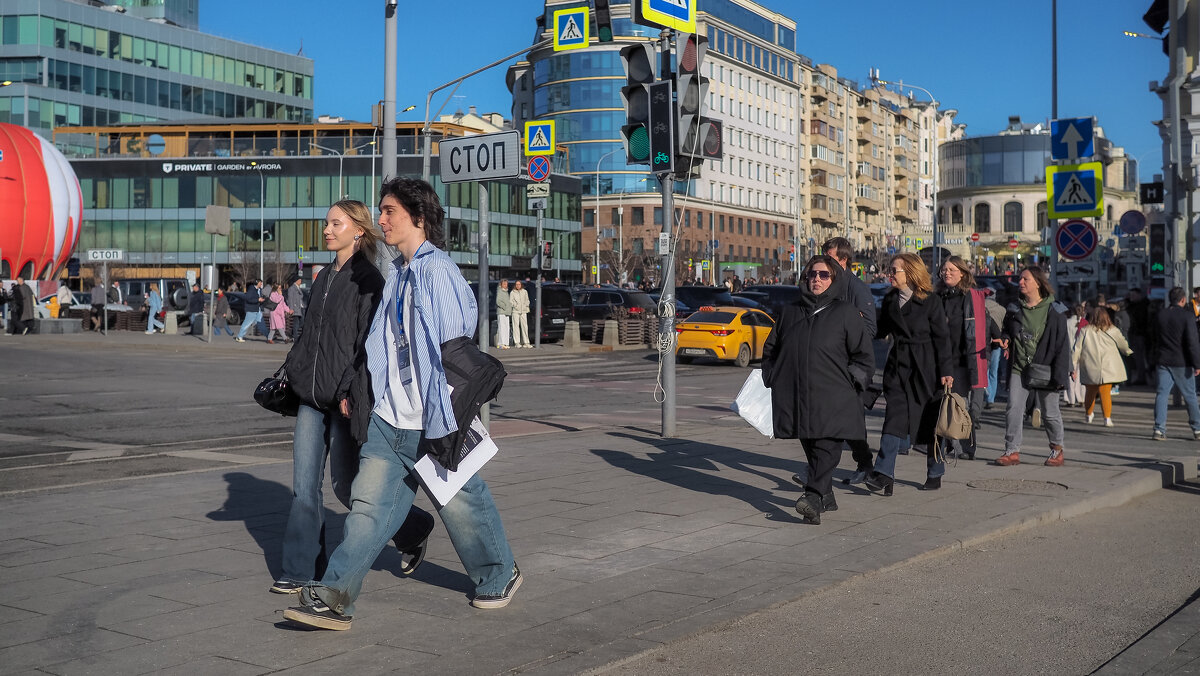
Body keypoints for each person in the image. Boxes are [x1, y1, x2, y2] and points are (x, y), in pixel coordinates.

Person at [284, 178, 519, 631]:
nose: (382, 219)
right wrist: (363, 391)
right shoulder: (399, 273)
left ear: (419, 217)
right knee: (367, 510)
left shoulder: (437, 271)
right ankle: (334, 596)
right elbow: (384, 346)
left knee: (462, 502)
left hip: (433, 418)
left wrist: (447, 420)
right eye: (381, 211)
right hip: (390, 419)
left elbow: (455, 353)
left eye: (389, 211)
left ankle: (499, 574)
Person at [272, 199, 435, 596]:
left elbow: (367, 346)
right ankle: (301, 569)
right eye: (326, 223)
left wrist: (348, 389)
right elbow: (309, 336)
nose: (327, 230)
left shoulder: (370, 280)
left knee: (347, 488)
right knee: (304, 487)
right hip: (312, 399)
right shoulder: (324, 277)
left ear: (358, 230)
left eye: (335, 223)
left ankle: (414, 527)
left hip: (345, 400)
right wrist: (293, 373)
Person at [762, 255, 874, 524]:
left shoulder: (845, 312)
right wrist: (772, 376)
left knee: (826, 447)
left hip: (835, 396)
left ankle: (812, 496)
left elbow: (864, 356)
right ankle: (825, 495)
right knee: (811, 446)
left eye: (824, 275)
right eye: (812, 274)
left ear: (833, 280)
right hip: (797, 395)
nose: (817, 279)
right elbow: (771, 349)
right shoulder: (790, 312)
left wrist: (853, 382)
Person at [865, 253, 952, 494]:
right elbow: (881, 330)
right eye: (890, 270)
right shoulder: (891, 299)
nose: (889, 275)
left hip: (927, 366)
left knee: (930, 422)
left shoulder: (931, 301)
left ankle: (935, 471)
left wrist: (946, 370)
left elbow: (942, 339)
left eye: (894, 271)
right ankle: (883, 473)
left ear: (911, 273)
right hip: (898, 366)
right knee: (894, 418)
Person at [995, 266, 1071, 466]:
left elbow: (1063, 346)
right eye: (1020, 279)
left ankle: (1057, 449)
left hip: (1046, 368)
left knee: (1050, 412)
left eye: (1025, 279)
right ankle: (1012, 451)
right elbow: (1008, 331)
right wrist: (1006, 339)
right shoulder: (1015, 308)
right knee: (1013, 408)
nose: (1020, 282)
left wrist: (1061, 376)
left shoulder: (1055, 311)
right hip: (1019, 367)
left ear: (1038, 283)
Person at [819, 237, 877, 485]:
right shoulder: (827, 283)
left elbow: (870, 327)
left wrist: (842, 334)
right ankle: (818, 472)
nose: (825, 261)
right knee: (823, 420)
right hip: (828, 364)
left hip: (849, 366)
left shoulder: (856, 288)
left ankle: (865, 465)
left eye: (829, 257)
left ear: (843, 260)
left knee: (850, 423)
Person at [935, 256, 999, 462]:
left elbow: (987, 324)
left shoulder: (970, 297)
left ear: (962, 273)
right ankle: (946, 443)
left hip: (962, 359)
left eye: (952, 269)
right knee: (942, 404)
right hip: (940, 358)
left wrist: (1001, 338)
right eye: (944, 269)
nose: (947, 273)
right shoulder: (937, 297)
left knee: (960, 406)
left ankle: (966, 446)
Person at [1152, 287, 1200, 441]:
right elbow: (1192, 342)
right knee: (1190, 396)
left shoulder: (1160, 315)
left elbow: (1154, 337)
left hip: (1163, 360)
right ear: (1183, 299)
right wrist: (1197, 363)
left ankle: (1159, 429)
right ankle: (1197, 428)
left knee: (1162, 394)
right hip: (1182, 362)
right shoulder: (1187, 316)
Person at [1072, 306, 1132, 427]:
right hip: (1108, 366)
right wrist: (1128, 351)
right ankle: (1107, 418)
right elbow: (1122, 344)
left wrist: (1073, 366)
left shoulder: (1085, 330)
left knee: (1090, 391)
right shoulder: (1113, 330)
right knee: (1105, 392)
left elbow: (1076, 349)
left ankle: (1088, 414)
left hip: (1089, 365)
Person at [510, 280, 531, 348]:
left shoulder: (524, 291)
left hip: (524, 311)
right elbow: (511, 302)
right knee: (516, 327)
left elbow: (527, 300)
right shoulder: (512, 292)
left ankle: (526, 342)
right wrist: (515, 306)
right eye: (516, 284)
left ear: (521, 285)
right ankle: (517, 342)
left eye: (519, 284)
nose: (518, 286)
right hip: (515, 311)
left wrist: (526, 305)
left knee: (525, 327)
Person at [286, 275, 305, 342]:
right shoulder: (292, 288)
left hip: (301, 308)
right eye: (299, 280)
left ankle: (291, 333)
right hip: (295, 308)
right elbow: (290, 299)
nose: (300, 281)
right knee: (296, 323)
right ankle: (295, 337)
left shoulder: (298, 288)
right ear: (296, 281)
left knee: (302, 322)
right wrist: (291, 308)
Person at [495, 279, 512, 349]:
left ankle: (506, 343)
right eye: (504, 284)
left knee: (506, 328)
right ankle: (501, 343)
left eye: (506, 284)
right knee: (502, 328)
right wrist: (505, 307)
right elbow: (498, 301)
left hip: (507, 312)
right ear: (501, 284)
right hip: (502, 312)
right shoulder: (500, 291)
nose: (505, 285)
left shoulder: (506, 292)